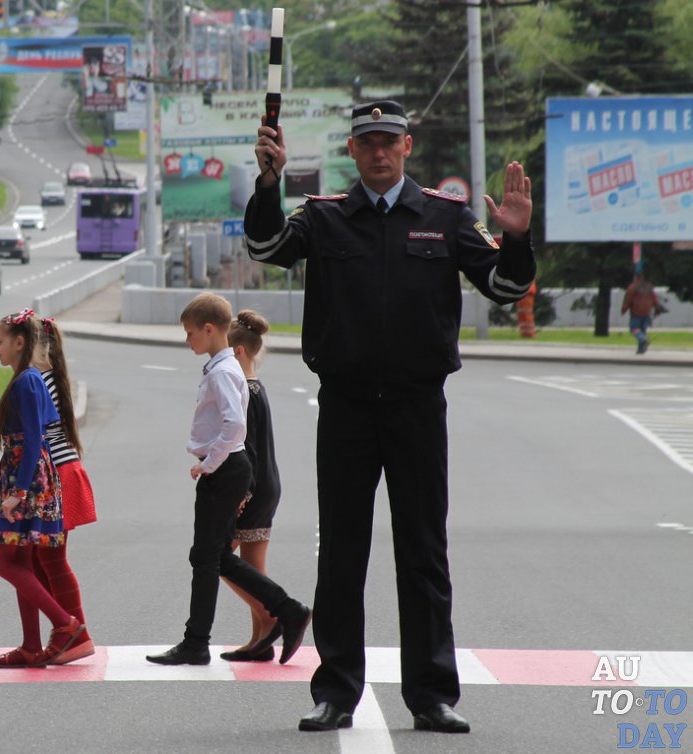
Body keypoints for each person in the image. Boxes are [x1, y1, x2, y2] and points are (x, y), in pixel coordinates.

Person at [243, 100, 536, 733]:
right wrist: (268, 183)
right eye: (368, 141)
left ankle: (432, 695)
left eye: (389, 141)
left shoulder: (444, 217)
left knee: (424, 553)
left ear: (408, 147)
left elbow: (506, 288)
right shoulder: (325, 216)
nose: (379, 151)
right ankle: (335, 692)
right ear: (352, 150)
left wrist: (515, 239)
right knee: (341, 555)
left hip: (416, 407)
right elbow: (266, 246)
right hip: (346, 408)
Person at [146, 293, 311, 668]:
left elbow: (235, 425)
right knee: (210, 556)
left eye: (190, 332)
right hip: (230, 468)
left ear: (209, 330)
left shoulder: (223, 371)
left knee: (206, 558)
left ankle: (202, 641)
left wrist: (210, 463)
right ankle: (282, 612)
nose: (187, 340)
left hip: (225, 468)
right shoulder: (225, 367)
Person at [0, 309, 86, 668]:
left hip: (26, 480)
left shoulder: (28, 381)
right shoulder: (28, 379)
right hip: (25, 477)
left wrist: (17, 492)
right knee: (20, 561)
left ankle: (65, 623)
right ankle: (30, 646)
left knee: (1, 560)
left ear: (19, 342)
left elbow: (33, 441)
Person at [219, 309, 284, 663]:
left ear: (239, 351)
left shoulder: (244, 391)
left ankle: (272, 615)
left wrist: (241, 494)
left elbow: (249, 449)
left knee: (217, 557)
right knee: (253, 566)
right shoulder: (258, 388)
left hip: (253, 488)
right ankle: (260, 640)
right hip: (267, 484)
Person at [31, 316, 96, 665]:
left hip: (56, 474)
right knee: (42, 559)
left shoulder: (41, 381)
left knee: (51, 559)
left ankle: (76, 633)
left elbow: (34, 435)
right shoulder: (50, 377)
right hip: (60, 471)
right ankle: (65, 631)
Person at [621, 273, 665, 354]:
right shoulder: (648, 287)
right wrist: (658, 308)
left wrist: (624, 309)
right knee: (642, 331)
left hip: (636, 313)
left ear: (635, 278)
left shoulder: (633, 287)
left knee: (634, 329)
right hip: (647, 313)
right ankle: (640, 349)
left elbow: (628, 299)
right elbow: (654, 299)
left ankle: (643, 340)